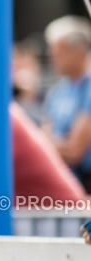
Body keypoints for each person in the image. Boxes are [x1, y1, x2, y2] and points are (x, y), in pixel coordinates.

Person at [43, 16, 91, 191]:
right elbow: (42, 141)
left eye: (59, 51)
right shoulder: (57, 91)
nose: (52, 57)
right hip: (62, 182)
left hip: (84, 184)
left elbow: (75, 151)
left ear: (78, 51)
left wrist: (49, 146)